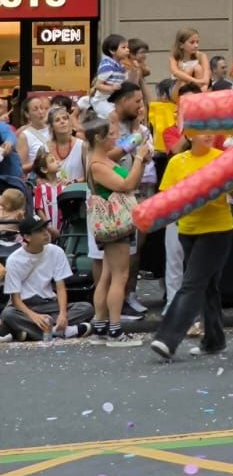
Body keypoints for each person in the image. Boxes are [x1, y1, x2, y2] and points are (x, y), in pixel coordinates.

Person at [150, 130, 233, 361]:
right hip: (188, 230)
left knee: (192, 284)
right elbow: (166, 197)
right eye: (201, 130)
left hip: (217, 230)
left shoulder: (222, 158)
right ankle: (214, 340)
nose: (208, 135)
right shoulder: (177, 162)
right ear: (188, 134)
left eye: (210, 129)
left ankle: (167, 338)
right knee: (208, 287)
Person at [86, 86, 152, 346]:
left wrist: (137, 142)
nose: (116, 137)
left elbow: (122, 153)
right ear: (100, 138)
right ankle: (115, 330)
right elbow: (127, 185)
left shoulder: (100, 157)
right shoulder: (98, 164)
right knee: (119, 275)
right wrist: (139, 160)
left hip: (109, 225)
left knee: (107, 275)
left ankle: (101, 327)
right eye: (111, 134)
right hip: (115, 225)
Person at [2, 216, 92, 341]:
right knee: (8, 314)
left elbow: (61, 287)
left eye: (45, 228)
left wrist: (63, 314)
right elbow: (16, 300)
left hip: (49, 303)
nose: (45, 233)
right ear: (27, 237)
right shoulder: (14, 260)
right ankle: (64, 332)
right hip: (26, 305)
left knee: (86, 308)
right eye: (39, 231)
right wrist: (33, 316)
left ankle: (31, 331)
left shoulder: (56, 252)